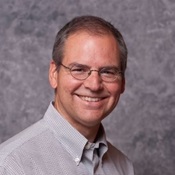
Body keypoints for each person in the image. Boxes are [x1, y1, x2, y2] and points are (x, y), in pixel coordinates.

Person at [0, 15, 134, 175]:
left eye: (108, 72)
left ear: (122, 83)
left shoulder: (123, 167)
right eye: (79, 70)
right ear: (54, 74)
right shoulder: (11, 166)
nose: (94, 85)